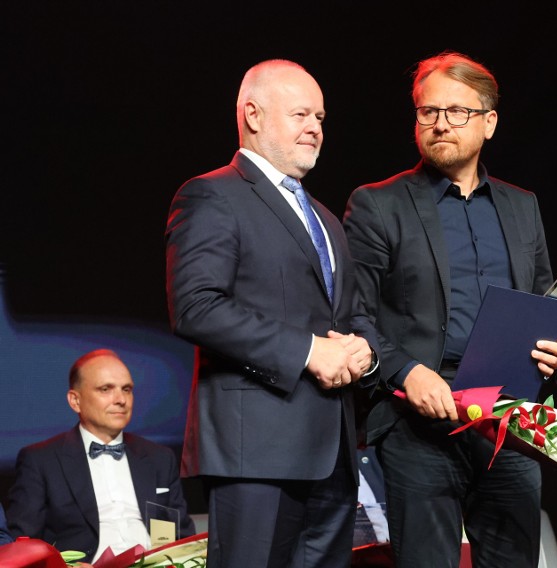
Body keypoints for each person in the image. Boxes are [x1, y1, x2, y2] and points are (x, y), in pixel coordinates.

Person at [343, 51, 557, 568]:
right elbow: (352, 315)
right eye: (429, 111)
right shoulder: (378, 204)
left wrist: (553, 345)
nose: (441, 123)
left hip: (506, 421)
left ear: (489, 123)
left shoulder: (522, 205)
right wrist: (405, 372)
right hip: (417, 421)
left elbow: (540, 300)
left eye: (458, 112)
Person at [165, 59, 379, 568]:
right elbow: (196, 306)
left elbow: (352, 314)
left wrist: (364, 352)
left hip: (333, 454)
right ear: (253, 115)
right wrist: (309, 352)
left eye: (320, 117)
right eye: (300, 114)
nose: (315, 128)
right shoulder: (212, 194)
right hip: (257, 452)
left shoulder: (326, 218)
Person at [5, 349, 195, 564]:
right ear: (75, 400)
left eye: (127, 389)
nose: (121, 400)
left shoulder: (159, 458)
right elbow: (22, 545)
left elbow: (180, 536)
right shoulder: (41, 460)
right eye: (106, 389)